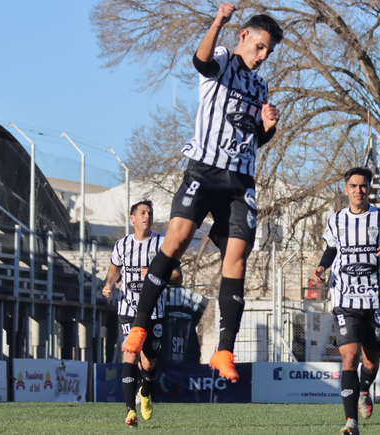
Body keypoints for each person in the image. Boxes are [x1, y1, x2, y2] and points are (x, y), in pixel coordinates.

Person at [121, 4, 284, 383]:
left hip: (240, 181)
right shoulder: (224, 59)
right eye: (259, 46)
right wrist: (217, 23)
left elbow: (253, 137)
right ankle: (139, 326)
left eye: (268, 52)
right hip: (205, 171)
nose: (261, 57)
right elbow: (201, 60)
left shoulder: (259, 87)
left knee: (237, 259)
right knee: (176, 241)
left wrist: (268, 127)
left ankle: (223, 350)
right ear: (244, 36)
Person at [310, 167, 380, 435]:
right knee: (349, 357)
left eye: (363, 186)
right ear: (346, 189)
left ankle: (365, 389)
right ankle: (351, 422)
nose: (358, 190)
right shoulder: (336, 220)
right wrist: (321, 267)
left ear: (369, 188)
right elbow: (331, 249)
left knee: (371, 362)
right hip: (344, 297)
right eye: (353, 186)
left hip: (376, 298)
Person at [103, 200, 182, 427]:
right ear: (133, 219)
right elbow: (114, 268)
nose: (147, 216)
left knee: (148, 364)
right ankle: (130, 411)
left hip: (154, 312)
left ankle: (145, 392)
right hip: (127, 310)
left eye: (150, 212)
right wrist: (109, 283)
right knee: (129, 354)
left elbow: (178, 277)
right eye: (143, 212)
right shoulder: (122, 245)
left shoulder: (162, 244)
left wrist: (160, 274)